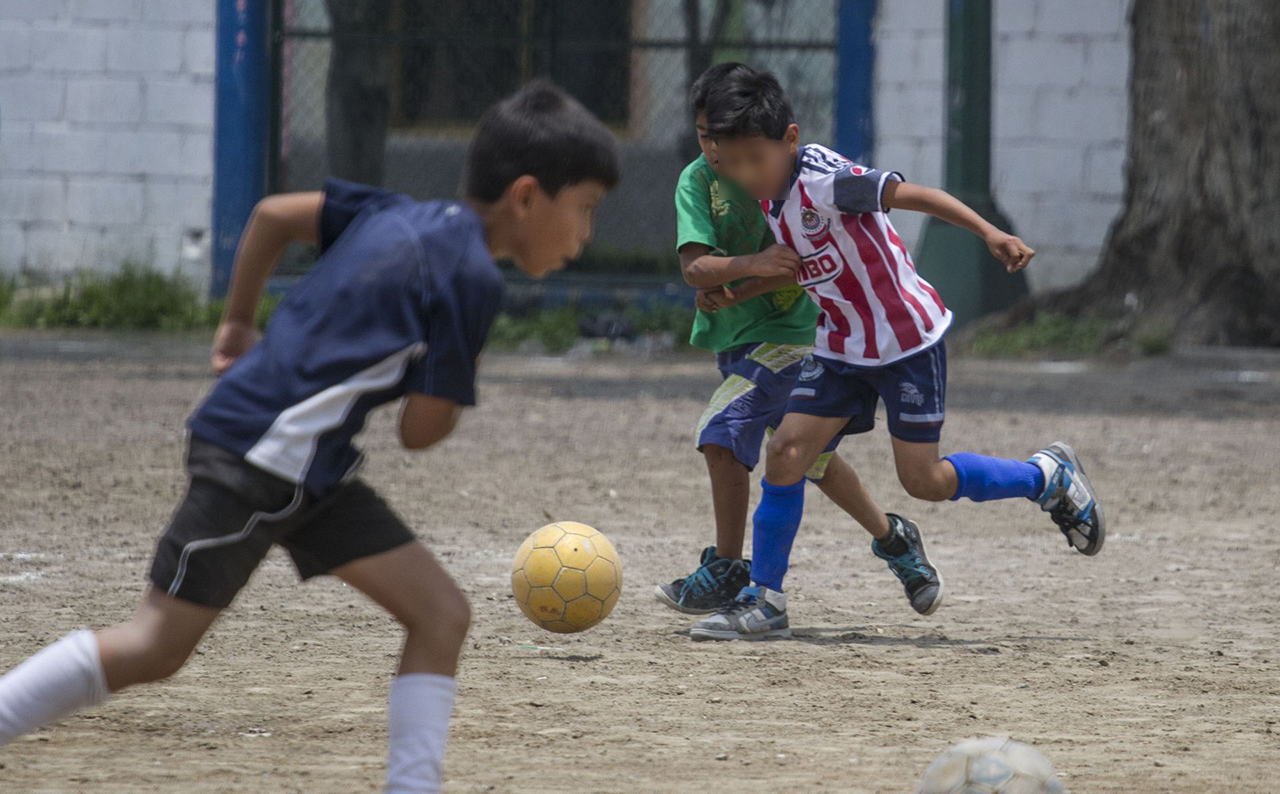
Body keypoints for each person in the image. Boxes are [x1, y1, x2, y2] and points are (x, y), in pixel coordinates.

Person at [0, 80, 619, 793]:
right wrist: (463, 366)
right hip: (264, 458)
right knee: (154, 645)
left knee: (440, 613)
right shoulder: (472, 279)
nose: (586, 234)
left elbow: (271, 216)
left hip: (309, 464)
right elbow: (422, 432)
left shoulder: (396, 212)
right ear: (526, 197)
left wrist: (236, 321)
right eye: (586, 209)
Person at [689, 66, 1104, 641]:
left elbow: (917, 196)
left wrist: (989, 234)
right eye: (731, 163)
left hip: (906, 342)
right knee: (786, 451)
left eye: (753, 159)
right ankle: (766, 600)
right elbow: (809, 263)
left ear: (789, 139)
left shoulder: (828, 182)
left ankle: (1046, 477)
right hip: (841, 347)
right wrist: (741, 287)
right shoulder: (771, 194)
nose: (743, 174)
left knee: (925, 480)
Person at [657, 63, 938, 625]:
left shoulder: (777, 172)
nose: (718, 151)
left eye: (725, 136)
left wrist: (746, 276)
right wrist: (737, 277)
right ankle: (894, 539)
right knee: (809, 460)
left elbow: (806, 261)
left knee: (722, 430)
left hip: (797, 336)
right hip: (736, 340)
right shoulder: (698, 182)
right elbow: (696, 267)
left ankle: (732, 567)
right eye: (706, 137)